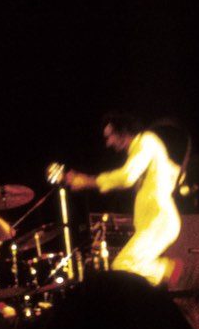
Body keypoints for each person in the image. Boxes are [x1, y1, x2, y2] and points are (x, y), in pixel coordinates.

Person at [59, 113, 182, 286]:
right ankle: (156, 291)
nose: (108, 143)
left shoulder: (146, 141)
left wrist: (87, 181)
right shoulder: (147, 149)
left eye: (110, 136)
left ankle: (169, 272)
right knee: (131, 272)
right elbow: (172, 173)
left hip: (159, 221)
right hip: (156, 222)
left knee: (123, 266)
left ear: (123, 132)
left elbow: (127, 176)